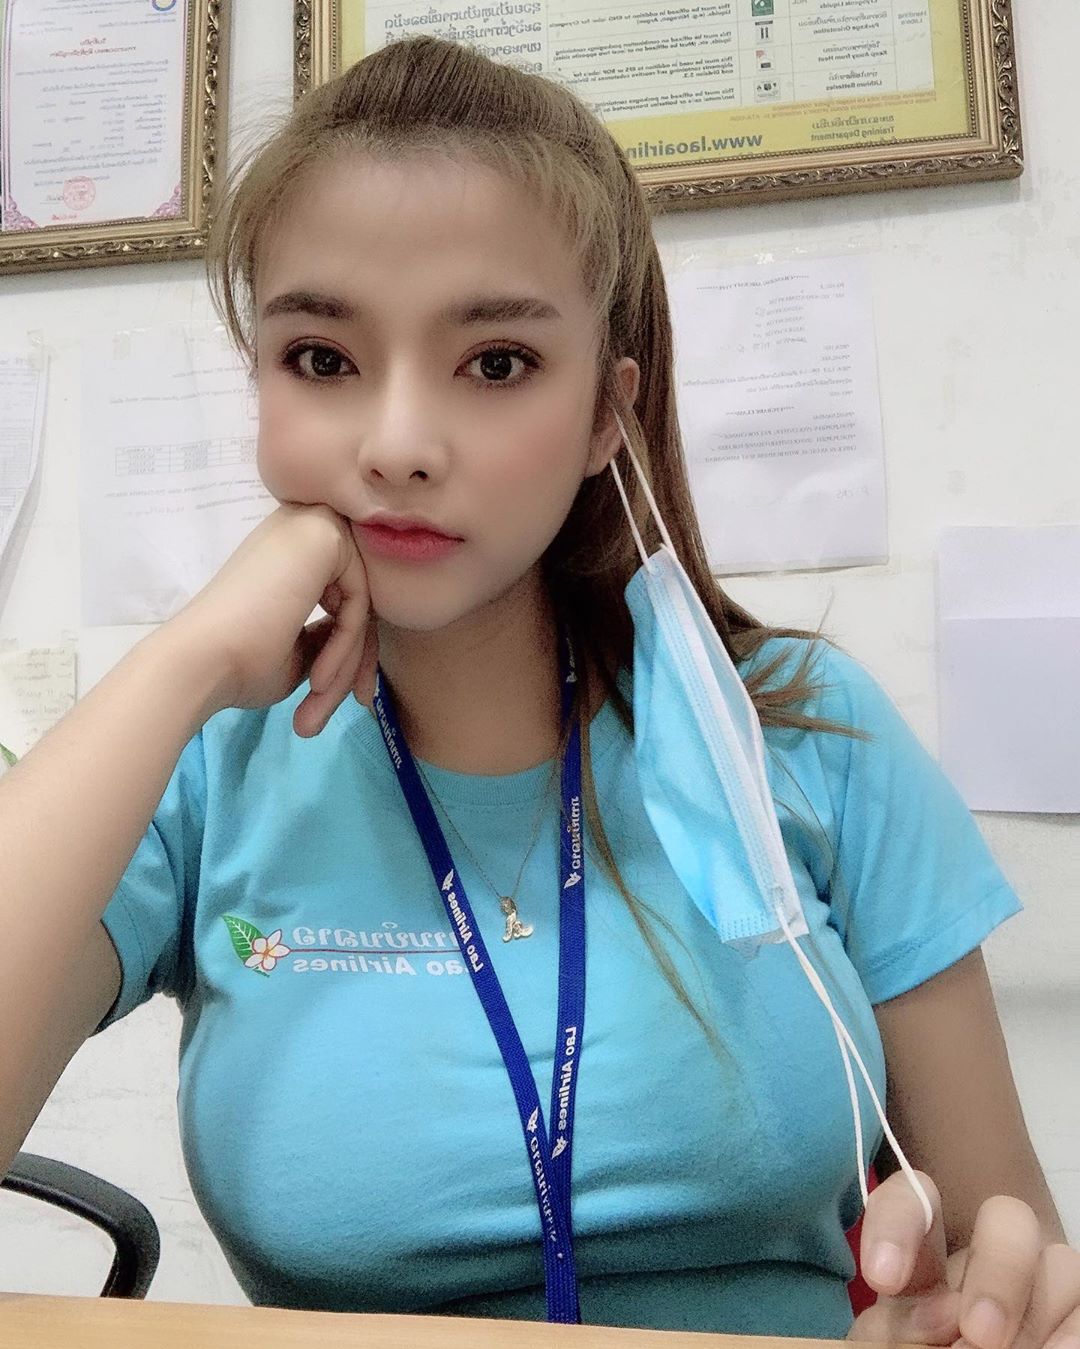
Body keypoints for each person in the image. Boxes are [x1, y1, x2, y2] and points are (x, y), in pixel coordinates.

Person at [1, 32, 1076, 1343]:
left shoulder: (800, 726)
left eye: (497, 362)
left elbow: (1004, 1247)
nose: (398, 445)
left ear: (606, 412)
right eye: (322, 359)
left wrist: (979, 1299)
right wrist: (179, 666)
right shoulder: (204, 767)